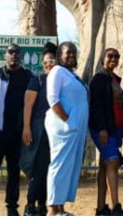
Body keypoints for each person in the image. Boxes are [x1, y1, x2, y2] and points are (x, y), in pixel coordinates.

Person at [0, 43, 36, 216]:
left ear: (20, 56)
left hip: (17, 133)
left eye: (17, 52)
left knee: (14, 172)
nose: (14, 55)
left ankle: (12, 207)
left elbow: (33, 103)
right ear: (5, 55)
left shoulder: (27, 77)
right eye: (10, 52)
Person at [45, 41, 89, 216]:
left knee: (69, 166)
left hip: (75, 129)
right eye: (67, 52)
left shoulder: (72, 74)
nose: (71, 55)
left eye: (73, 52)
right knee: (59, 164)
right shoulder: (57, 71)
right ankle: (52, 208)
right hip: (63, 127)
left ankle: (60, 207)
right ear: (59, 56)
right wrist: (68, 121)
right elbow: (52, 99)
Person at [89, 48, 123, 216]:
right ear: (102, 59)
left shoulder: (115, 79)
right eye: (110, 56)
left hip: (116, 128)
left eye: (116, 56)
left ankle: (100, 208)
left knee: (105, 165)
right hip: (103, 128)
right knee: (112, 161)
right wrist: (102, 129)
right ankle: (116, 206)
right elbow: (97, 105)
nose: (113, 59)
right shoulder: (99, 79)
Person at [23, 44, 58, 216]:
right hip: (38, 130)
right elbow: (28, 105)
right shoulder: (37, 80)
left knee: (49, 169)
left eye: (51, 61)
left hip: (55, 132)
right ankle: (30, 204)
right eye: (45, 62)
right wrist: (27, 128)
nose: (48, 64)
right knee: (36, 168)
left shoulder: (60, 81)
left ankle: (43, 203)